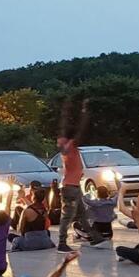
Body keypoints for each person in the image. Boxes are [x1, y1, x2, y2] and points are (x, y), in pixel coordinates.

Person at [55, 98, 91, 252]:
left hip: (72, 185)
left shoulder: (64, 145)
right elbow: (80, 129)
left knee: (82, 212)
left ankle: (93, 236)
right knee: (67, 216)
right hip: (71, 187)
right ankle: (62, 243)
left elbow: (64, 127)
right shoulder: (70, 146)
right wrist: (84, 111)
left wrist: (66, 109)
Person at [9, 185, 58, 252]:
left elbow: (20, 229)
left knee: (10, 236)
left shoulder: (26, 211)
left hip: (30, 243)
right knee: (47, 232)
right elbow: (45, 227)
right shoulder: (45, 210)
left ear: (33, 197)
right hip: (45, 242)